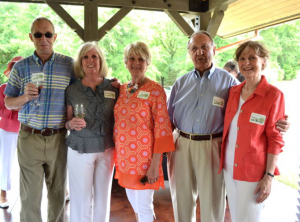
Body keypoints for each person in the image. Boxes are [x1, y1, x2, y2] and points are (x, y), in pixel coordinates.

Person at [167, 30, 290, 222]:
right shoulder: (180, 83)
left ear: (214, 50)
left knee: (213, 201)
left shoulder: (230, 83)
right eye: (194, 48)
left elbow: (254, 101)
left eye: (204, 47)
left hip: (212, 145)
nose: (199, 52)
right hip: (181, 144)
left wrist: (281, 121)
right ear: (189, 52)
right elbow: (167, 119)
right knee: (181, 199)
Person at [4, 17, 75, 221]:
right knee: (29, 197)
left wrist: (111, 84)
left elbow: (85, 87)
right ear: (31, 37)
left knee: (58, 194)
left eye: (48, 34)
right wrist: (25, 97)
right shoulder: (21, 67)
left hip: (59, 138)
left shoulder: (68, 65)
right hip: (29, 137)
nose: (43, 38)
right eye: (38, 34)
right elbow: (9, 102)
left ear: (55, 37)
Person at [219, 41, 285, 222]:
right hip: (229, 167)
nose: (246, 62)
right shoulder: (233, 92)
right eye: (242, 59)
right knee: (236, 216)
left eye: (252, 58)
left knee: (249, 219)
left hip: (254, 172)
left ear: (263, 61)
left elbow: (275, 139)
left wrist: (269, 177)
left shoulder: (274, 95)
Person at [113, 42, 175, 222]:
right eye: (131, 58)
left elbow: (162, 129)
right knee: (134, 204)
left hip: (144, 161)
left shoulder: (155, 91)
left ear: (148, 62)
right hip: (124, 158)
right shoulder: (122, 89)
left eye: (141, 59)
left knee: (144, 206)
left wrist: (155, 165)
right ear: (126, 62)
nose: (136, 63)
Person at [65, 41, 118, 222]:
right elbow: (67, 121)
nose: (90, 60)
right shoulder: (72, 90)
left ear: (100, 60)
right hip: (80, 147)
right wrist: (71, 123)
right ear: (80, 62)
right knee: (81, 198)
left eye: (94, 56)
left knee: (103, 197)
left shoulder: (113, 87)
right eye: (85, 57)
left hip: (107, 148)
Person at [0, 56, 23, 208]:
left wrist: (13, 107)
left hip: (28, 129)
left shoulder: (30, 88)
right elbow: (2, 109)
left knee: (37, 161)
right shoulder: (2, 88)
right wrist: (14, 109)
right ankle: (3, 194)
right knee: (6, 161)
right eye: (14, 68)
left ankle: (61, 190)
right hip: (7, 129)